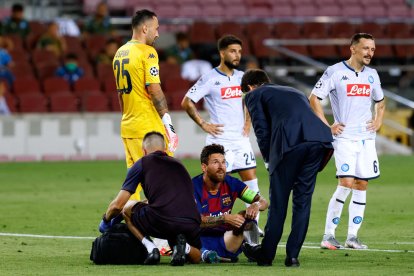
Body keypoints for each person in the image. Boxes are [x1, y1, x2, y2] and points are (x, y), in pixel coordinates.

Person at [241, 69, 334, 267]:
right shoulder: (294, 91)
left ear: (250, 87)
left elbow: (261, 130)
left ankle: (266, 255)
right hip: (318, 142)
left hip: (290, 146)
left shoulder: (253, 95)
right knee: (302, 202)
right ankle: (292, 256)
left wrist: (268, 159)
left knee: (278, 204)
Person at [309, 33, 386, 250]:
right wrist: (327, 126)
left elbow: (380, 101)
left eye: (372, 49)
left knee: (362, 184)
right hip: (344, 138)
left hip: (366, 139)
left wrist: (378, 120)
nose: (370, 53)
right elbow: (314, 98)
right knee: (346, 183)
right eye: (366, 48)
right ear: (353, 49)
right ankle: (328, 235)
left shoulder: (372, 75)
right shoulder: (335, 72)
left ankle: (352, 237)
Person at [181, 35, 262, 234]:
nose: (237, 55)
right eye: (233, 51)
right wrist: (203, 124)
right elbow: (186, 102)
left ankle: (253, 226)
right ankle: (214, 223)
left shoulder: (243, 77)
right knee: (216, 185)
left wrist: (248, 121)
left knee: (252, 182)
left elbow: (251, 99)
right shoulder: (210, 78)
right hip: (220, 142)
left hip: (240, 140)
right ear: (222, 53)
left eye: (239, 51)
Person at [98, 131, 201, 266]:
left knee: (127, 208)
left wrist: (106, 220)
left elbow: (118, 205)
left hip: (163, 218)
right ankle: (184, 247)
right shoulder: (180, 164)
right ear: (165, 149)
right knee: (196, 255)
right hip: (191, 220)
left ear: (143, 150)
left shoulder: (143, 163)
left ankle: (151, 249)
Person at [113, 9, 178, 201]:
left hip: (129, 126)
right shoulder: (148, 52)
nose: (158, 34)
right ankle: (165, 223)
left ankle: (130, 227)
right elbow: (154, 89)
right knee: (164, 176)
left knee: (133, 183)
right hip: (148, 126)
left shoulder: (120, 52)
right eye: (156, 29)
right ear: (145, 28)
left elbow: (120, 95)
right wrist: (168, 123)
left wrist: (127, 117)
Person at [193, 144, 268, 263]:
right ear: (204, 167)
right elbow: (197, 221)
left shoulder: (232, 183)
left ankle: (253, 248)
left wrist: (256, 205)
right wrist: (225, 218)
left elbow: (263, 202)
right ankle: (205, 254)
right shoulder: (193, 187)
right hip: (200, 240)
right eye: (216, 162)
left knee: (246, 216)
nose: (221, 167)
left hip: (225, 239)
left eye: (223, 162)